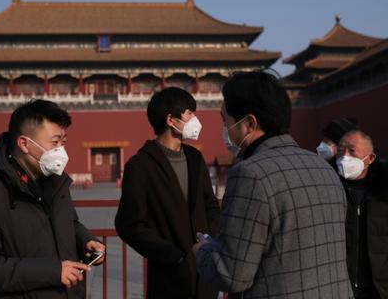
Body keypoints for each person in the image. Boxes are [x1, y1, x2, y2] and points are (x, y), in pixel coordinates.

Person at [194, 71, 353, 298]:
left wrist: (203, 252)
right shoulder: (324, 169)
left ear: (249, 123)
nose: (225, 127)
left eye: (225, 119)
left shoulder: (251, 174)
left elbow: (232, 275)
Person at [0, 99, 105, 299]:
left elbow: (70, 222)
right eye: (54, 142)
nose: (61, 150)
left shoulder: (56, 184)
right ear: (25, 144)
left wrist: (85, 241)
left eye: (63, 142)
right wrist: (53, 272)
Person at [115, 87, 220, 299]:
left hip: (205, 274)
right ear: (171, 120)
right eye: (189, 113)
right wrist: (173, 256)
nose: (195, 119)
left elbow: (210, 206)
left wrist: (211, 243)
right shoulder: (140, 165)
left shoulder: (195, 158)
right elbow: (129, 224)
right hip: (169, 278)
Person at [336, 130, 388, 298]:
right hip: (341, 287)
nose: (344, 156)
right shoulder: (331, 191)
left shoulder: (382, 194)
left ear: (370, 158)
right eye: (340, 150)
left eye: (351, 150)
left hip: (378, 289)